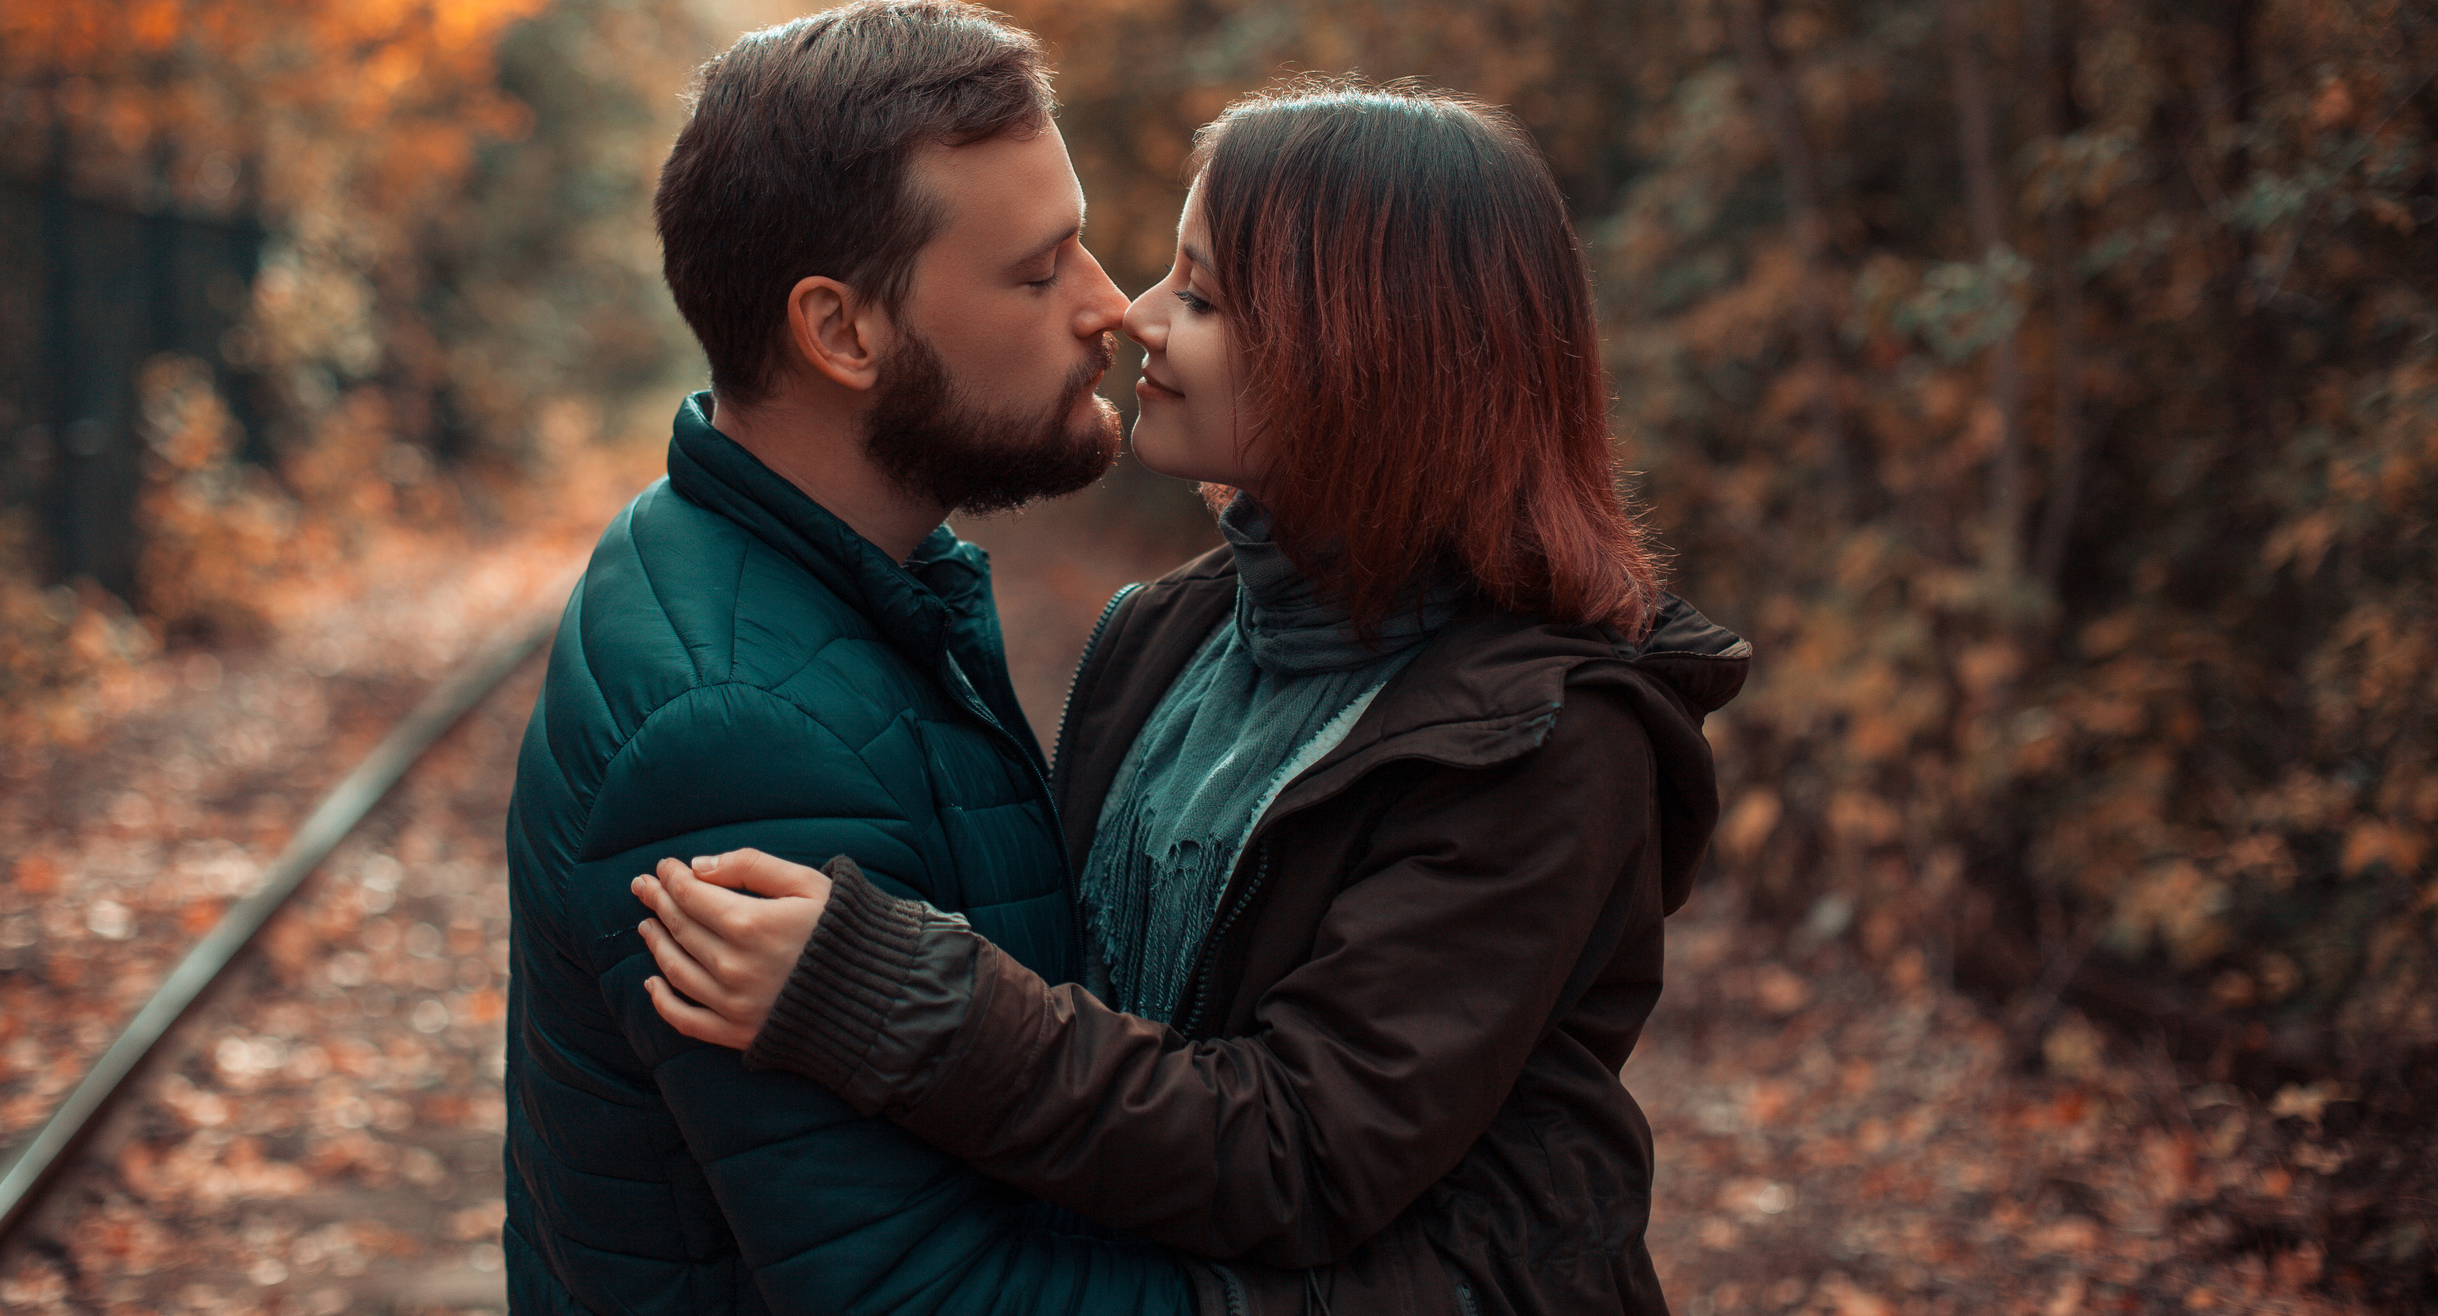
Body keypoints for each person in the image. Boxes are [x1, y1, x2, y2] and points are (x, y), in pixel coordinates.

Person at [629, 79, 1751, 1314]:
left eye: (1203, 296)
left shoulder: (1542, 741)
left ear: (1369, 353)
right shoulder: (1168, 636)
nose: (1134, 316)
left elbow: (1302, 1150)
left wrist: (896, 999)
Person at [502, 0, 1221, 1316]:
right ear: (841, 331)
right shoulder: (736, 728)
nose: (1109, 307)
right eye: (1035, 268)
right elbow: (925, 1289)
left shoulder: (819, 571)